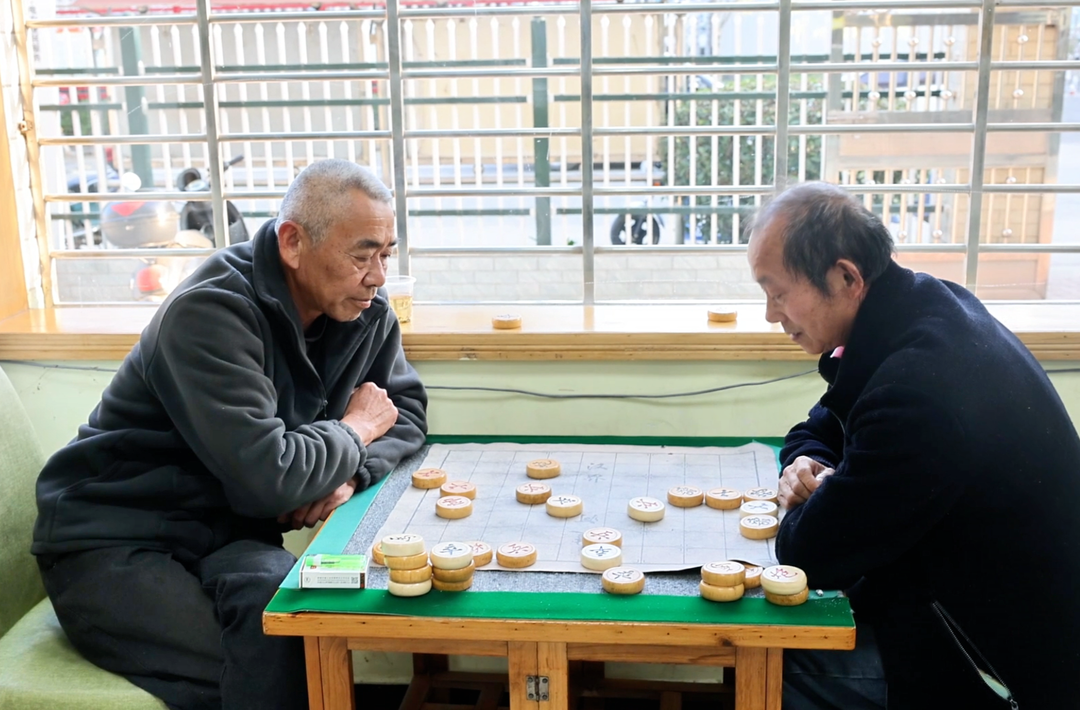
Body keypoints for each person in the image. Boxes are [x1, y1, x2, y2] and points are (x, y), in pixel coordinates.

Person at [33, 159, 428, 710]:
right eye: (362, 255)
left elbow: (404, 410)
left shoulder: (363, 310)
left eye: (386, 254)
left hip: (226, 534)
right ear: (292, 243)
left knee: (297, 622)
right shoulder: (211, 312)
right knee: (268, 660)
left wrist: (350, 472)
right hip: (115, 539)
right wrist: (354, 429)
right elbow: (272, 480)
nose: (379, 275)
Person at [746, 182, 1080, 709]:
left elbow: (807, 552)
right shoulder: (923, 311)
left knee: (773, 662)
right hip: (961, 605)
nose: (770, 314)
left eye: (778, 292)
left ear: (846, 276)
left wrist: (811, 499)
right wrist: (807, 466)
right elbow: (815, 429)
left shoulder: (917, 392)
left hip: (1002, 670)